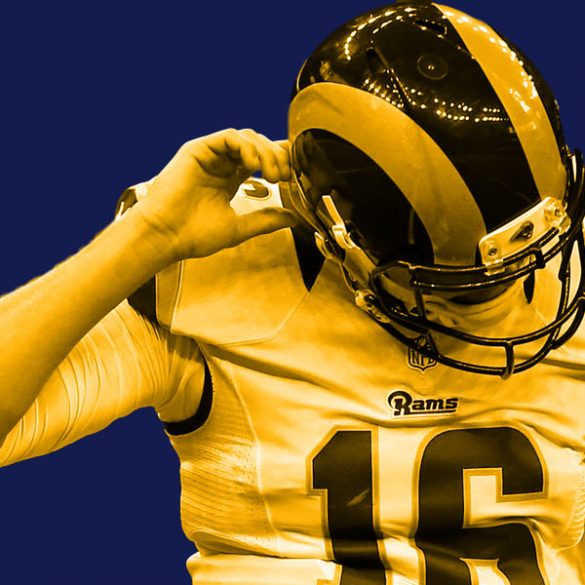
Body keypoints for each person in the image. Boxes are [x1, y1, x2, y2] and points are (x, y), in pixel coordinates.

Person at [1, 1, 584, 583]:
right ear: (337, 228)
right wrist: (150, 237)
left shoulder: (567, 264)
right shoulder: (231, 273)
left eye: (532, 257)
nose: (505, 289)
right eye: (456, 286)